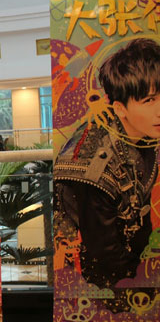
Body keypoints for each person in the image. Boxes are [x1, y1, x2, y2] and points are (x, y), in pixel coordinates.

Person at [54, 38, 160, 301]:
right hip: (93, 288)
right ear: (120, 108)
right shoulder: (94, 165)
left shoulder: (144, 134)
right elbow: (104, 256)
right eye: (149, 100)